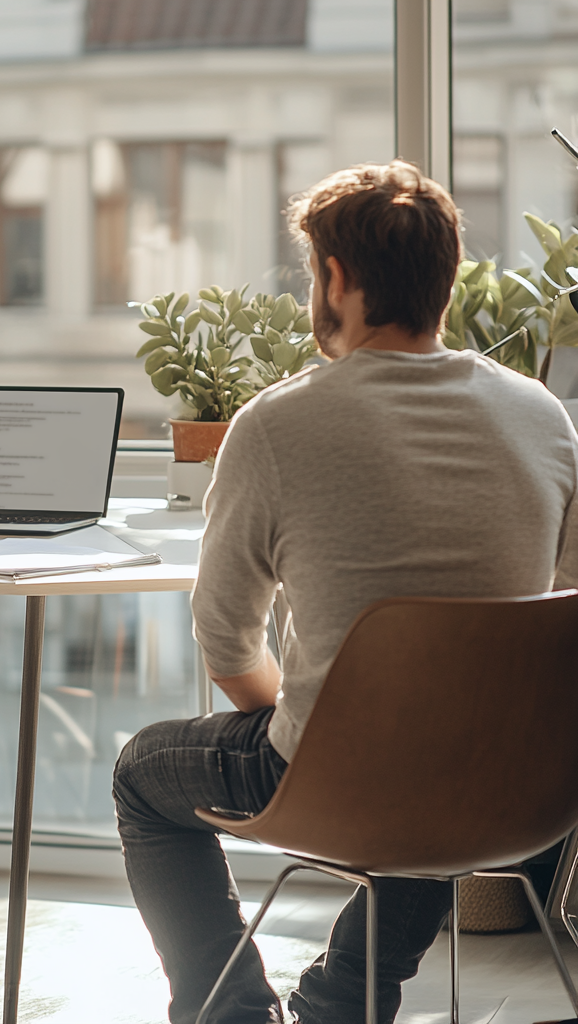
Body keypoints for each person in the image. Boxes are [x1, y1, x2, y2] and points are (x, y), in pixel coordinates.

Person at [112, 160, 578, 1024]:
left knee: (144, 773)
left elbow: (224, 638)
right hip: (517, 787)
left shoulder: (278, 425)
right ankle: (339, 1007)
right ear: (447, 275)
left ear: (334, 277)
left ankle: (235, 1015)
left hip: (351, 781)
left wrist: (303, 727)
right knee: (432, 767)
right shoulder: (542, 415)